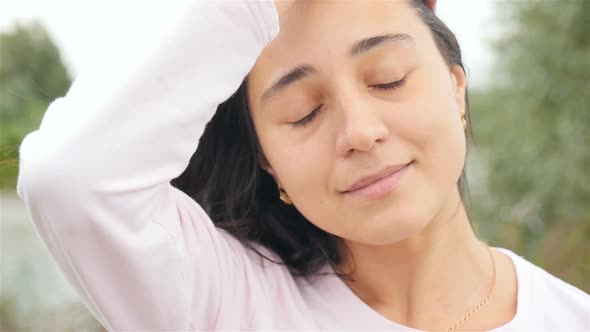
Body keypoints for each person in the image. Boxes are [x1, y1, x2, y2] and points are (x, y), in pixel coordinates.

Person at [17, 0, 589, 331]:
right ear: (268, 163)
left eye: (388, 77)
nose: (360, 132)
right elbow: (69, 178)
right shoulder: (227, 305)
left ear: (456, 88)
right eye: (304, 112)